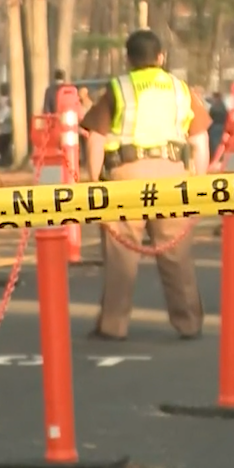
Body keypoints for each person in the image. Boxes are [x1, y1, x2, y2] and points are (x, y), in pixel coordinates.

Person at [79, 30, 209, 341]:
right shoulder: (181, 90)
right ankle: (189, 322)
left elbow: (96, 138)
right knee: (176, 254)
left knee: (121, 253)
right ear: (161, 56)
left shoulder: (118, 88)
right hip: (172, 175)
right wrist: (198, 184)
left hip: (127, 175)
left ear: (128, 58)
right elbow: (199, 140)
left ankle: (113, 325)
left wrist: (94, 179)